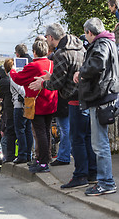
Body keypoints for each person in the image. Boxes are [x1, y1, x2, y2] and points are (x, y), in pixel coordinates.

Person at [29, 23, 97, 188]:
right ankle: (92, 173)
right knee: (87, 137)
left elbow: (58, 83)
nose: (46, 40)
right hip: (86, 97)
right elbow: (70, 73)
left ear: (51, 37)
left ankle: (80, 175)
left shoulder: (61, 53)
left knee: (77, 139)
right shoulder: (80, 47)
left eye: (47, 37)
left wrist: (44, 83)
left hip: (73, 99)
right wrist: (50, 77)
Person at [75, 18, 119, 196]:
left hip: (100, 98)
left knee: (99, 144)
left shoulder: (101, 44)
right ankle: (105, 180)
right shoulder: (110, 42)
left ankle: (106, 182)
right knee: (101, 143)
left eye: (86, 33)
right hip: (107, 96)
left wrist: (82, 72)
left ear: (89, 32)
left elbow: (98, 64)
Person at [10, 39, 58, 173]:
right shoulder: (51, 64)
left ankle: (43, 162)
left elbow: (18, 79)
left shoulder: (33, 66)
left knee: (40, 132)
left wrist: (12, 71)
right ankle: (46, 157)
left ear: (34, 52)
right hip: (51, 101)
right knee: (47, 131)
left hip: (37, 103)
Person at [6, 58, 33, 164]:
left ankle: (22, 155)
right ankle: (28, 154)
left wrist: (25, 96)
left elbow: (21, 90)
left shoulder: (13, 76)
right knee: (28, 130)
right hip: (28, 105)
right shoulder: (23, 74)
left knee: (20, 130)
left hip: (19, 105)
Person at [0, 64, 15, 162]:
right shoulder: (8, 81)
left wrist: (3, 127)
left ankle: (8, 157)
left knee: (6, 140)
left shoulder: (4, 82)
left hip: (9, 113)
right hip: (9, 112)